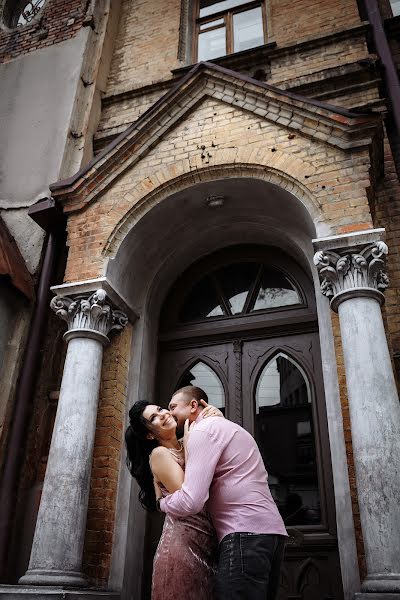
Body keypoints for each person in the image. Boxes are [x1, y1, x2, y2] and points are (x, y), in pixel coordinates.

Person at [160, 386, 288, 600]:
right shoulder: (232, 428)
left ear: (193, 405)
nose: (169, 413)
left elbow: (192, 501)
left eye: (173, 407)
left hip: (243, 534)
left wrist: (161, 503)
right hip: (271, 534)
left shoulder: (203, 431)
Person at [125, 399, 221, 600]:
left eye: (160, 409)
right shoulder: (160, 454)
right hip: (182, 547)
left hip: (207, 542)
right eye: (153, 418)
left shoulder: (189, 441)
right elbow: (191, 497)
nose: (162, 414)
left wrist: (212, 416)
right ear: (150, 434)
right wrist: (189, 442)